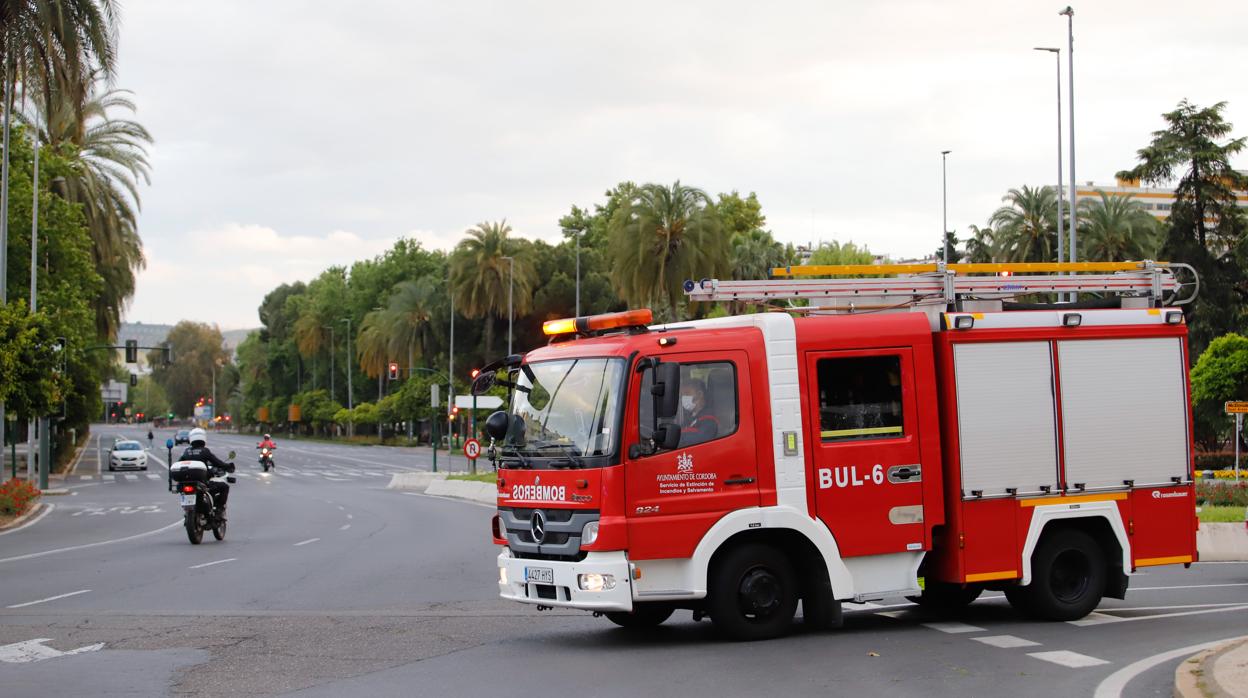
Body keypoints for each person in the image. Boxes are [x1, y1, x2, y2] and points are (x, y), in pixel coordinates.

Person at [178, 427, 234, 517]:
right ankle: (219, 509)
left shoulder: (186, 451)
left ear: (191, 438)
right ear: (203, 438)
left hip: (187, 483)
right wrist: (228, 466)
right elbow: (217, 462)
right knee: (224, 487)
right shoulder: (205, 451)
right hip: (202, 483)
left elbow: (178, 464)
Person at [678, 378, 719, 446]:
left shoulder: (709, 419)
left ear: (700, 394)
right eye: (682, 395)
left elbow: (700, 438)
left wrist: (676, 438)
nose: (684, 397)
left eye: (687, 393)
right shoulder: (689, 416)